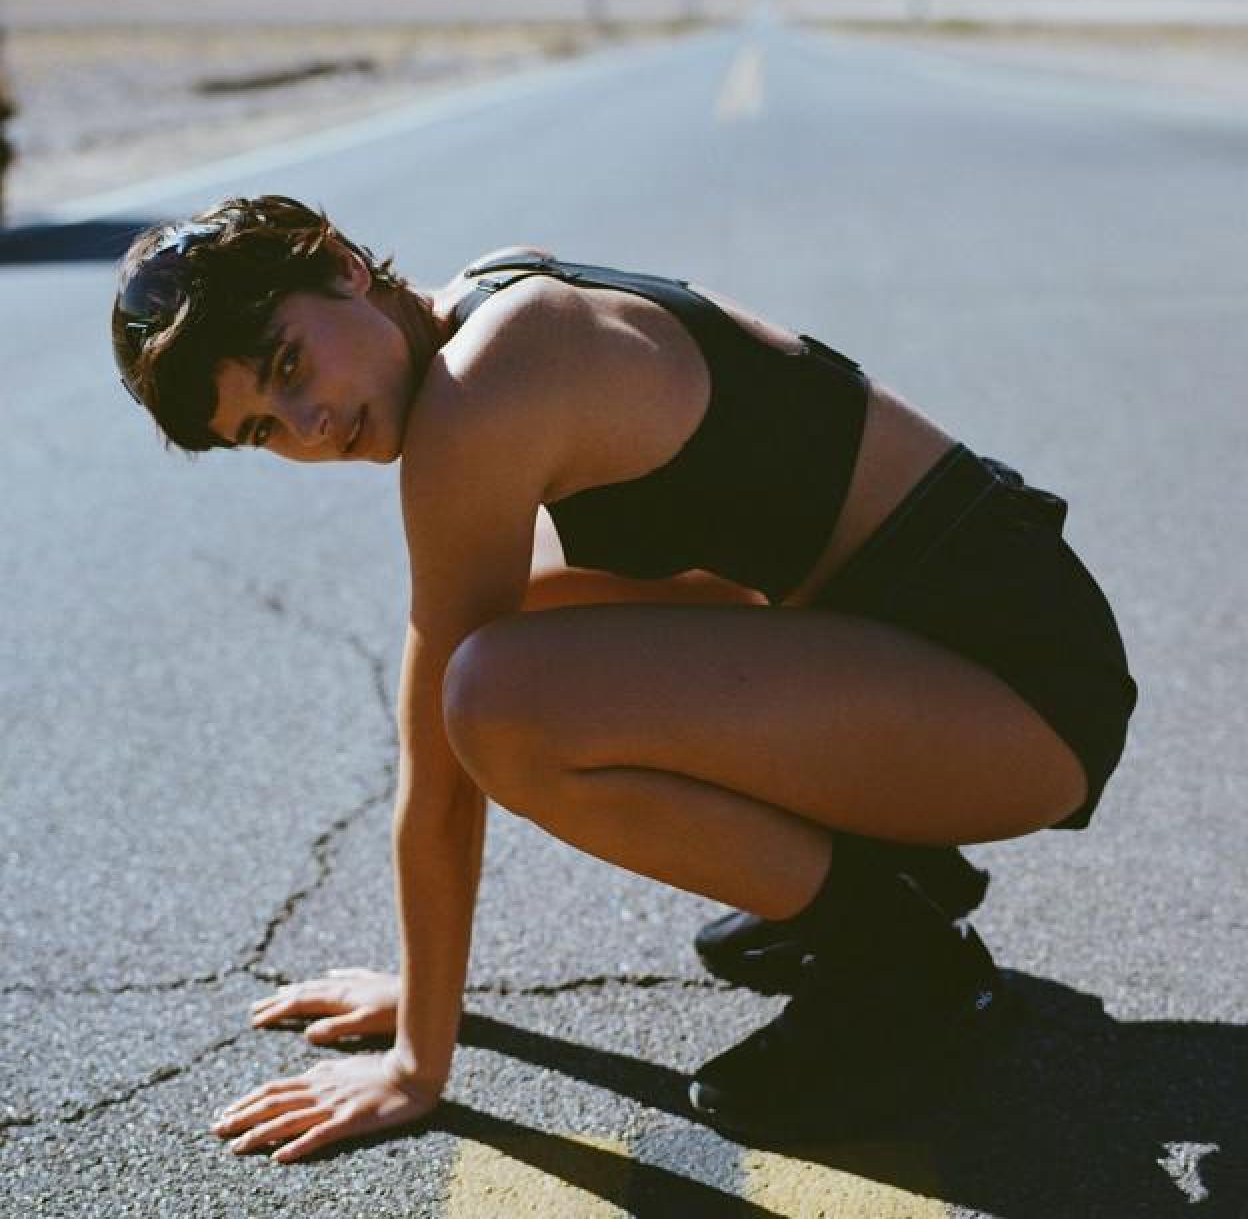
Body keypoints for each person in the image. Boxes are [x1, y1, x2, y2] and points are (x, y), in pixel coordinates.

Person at [111, 194, 1137, 1164]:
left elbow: (443, 765)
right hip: (975, 642)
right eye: (260, 430)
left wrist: (419, 1060)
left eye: (289, 366)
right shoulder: (495, 296)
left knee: (497, 699)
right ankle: (890, 859)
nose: (308, 425)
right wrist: (427, 982)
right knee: (534, 607)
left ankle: (904, 963)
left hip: (1021, 693)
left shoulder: (480, 403)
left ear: (341, 265)